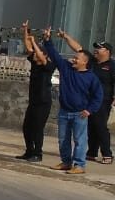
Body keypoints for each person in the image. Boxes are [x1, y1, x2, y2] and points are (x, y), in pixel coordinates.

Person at [41, 28, 103, 174]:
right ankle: (66, 162)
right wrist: (47, 40)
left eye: (77, 58)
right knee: (63, 139)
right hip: (64, 111)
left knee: (80, 141)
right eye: (74, 57)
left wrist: (89, 110)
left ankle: (79, 165)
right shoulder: (66, 68)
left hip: (80, 114)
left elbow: (98, 96)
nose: (73, 59)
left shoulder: (91, 78)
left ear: (85, 63)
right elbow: (54, 55)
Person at [58, 34, 113, 164]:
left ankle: (107, 153)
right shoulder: (91, 62)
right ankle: (91, 152)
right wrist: (66, 37)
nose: (96, 50)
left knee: (100, 126)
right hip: (87, 100)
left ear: (107, 52)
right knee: (90, 126)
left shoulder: (112, 65)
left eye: (99, 48)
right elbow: (79, 49)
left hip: (103, 100)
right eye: (95, 48)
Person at [15, 22, 54, 163]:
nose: (35, 55)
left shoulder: (48, 66)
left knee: (38, 128)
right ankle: (29, 151)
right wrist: (25, 31)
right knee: (27, 127)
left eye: (38, 53)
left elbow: (41, 56)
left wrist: (35, 43)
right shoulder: (34, 63)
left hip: (43, 102)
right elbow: (28, 46)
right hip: (33, 101)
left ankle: (38, 153)